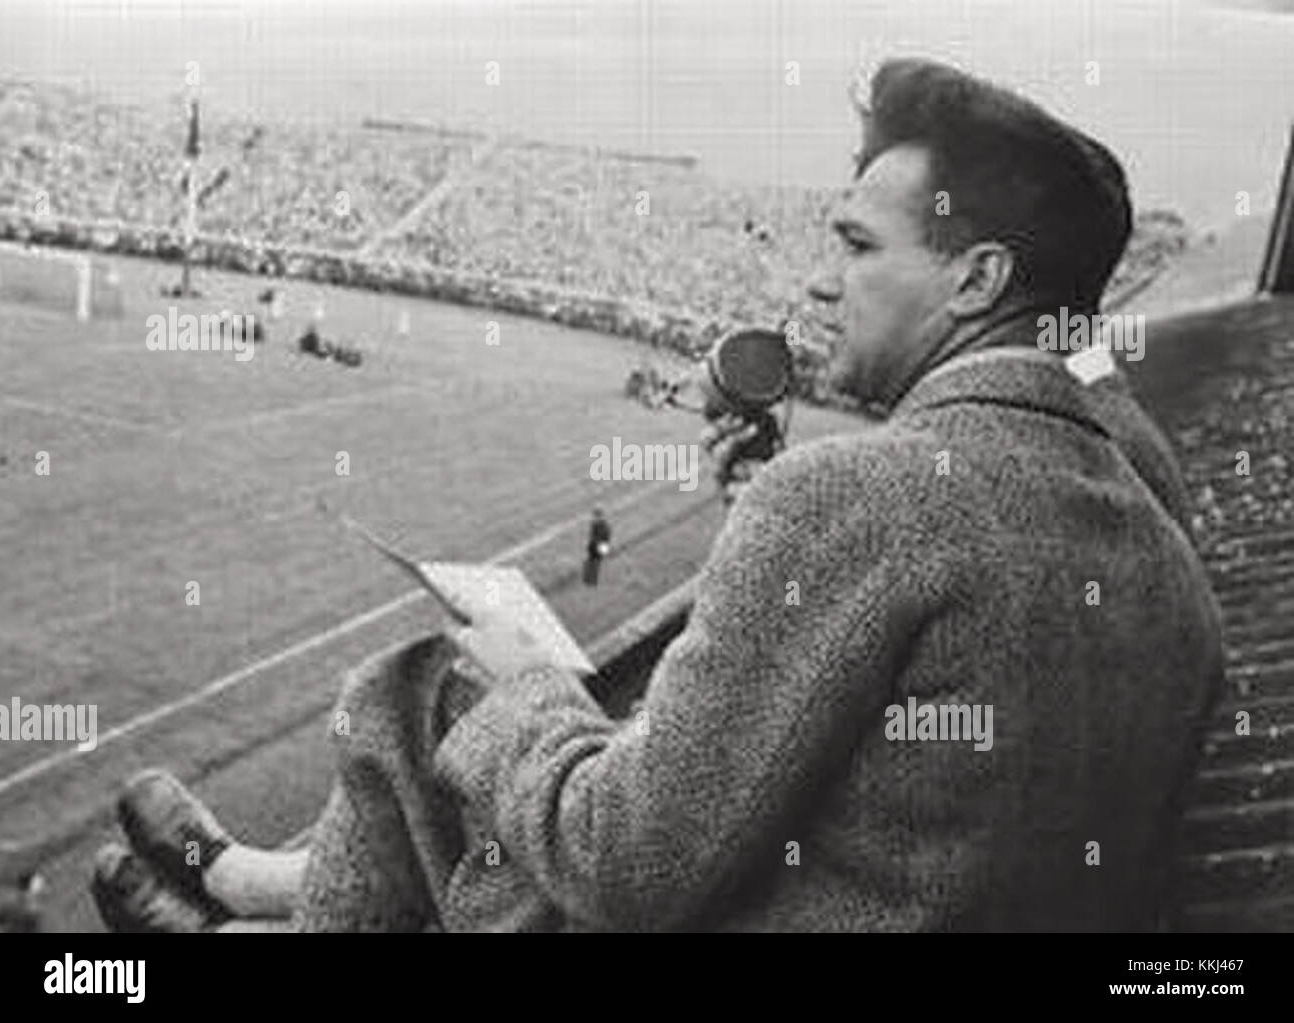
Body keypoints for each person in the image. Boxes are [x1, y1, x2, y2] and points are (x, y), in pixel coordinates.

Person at [93, 57, 1224, 933]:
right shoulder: (1157, 540)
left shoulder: (861, 495)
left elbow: (626, 863)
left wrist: (531, 682)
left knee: (432, 689)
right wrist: (772, 538)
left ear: (976, 278)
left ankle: (248, 898)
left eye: (854, 244)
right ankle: (261, 889)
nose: (818, 281)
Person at [582, 508, 612, 586]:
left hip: (601, 546)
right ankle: (589, 579)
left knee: (594, 560)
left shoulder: (604, 527)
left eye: (596, 517)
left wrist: (598, 544)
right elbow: (592, 535)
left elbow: (604, 539)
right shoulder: (594, 524)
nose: (593, 518)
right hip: (595, 545)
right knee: (591, 559)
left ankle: (591, 580)